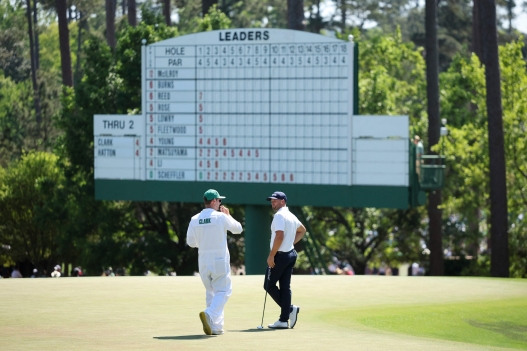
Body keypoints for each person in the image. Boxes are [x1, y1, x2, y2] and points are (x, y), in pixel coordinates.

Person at [186, 189, 243, 336]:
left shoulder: (194, 219)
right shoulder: (220, 217)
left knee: (211, 291)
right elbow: (238, 229)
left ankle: (216, 326)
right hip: (219, 259)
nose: (220, 203)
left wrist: (204, 243)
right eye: (219, 200)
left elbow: (191, 242)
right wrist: (228, 216)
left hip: (203, 259)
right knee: (224, 290)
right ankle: (209, 314)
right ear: (213, 201)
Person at [265, 191, 306, 329]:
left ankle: (289, 310)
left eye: (275, 200)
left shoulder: (279, 216)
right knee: (285, 287)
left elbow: (279, 236)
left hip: (280, 256)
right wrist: (291, 243)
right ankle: (283, 320)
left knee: (269, 285)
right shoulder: (291, 216)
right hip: (290, 254)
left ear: (283, 201)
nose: (272, 202)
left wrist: (272, 255)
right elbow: (302, 230)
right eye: (271, 200)